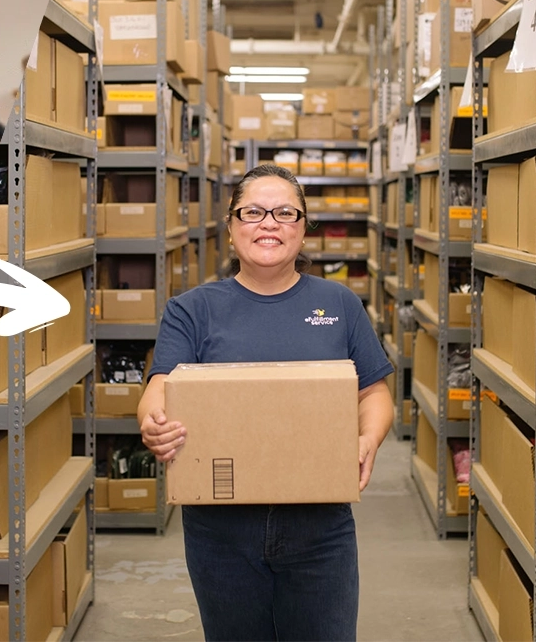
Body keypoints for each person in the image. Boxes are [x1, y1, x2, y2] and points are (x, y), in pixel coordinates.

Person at [137, 164, 394, 641]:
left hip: (320, 526)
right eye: (253, 212)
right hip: (221, 529)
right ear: (232, 226)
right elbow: (161, 384)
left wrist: (367, 439)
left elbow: (374, 391)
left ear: (303, 228)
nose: (269, 223)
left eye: (285, 213)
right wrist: (153, 422)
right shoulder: (192, 309)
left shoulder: (339, 304)